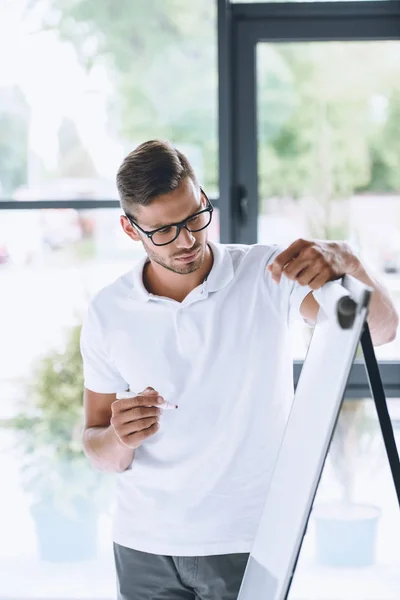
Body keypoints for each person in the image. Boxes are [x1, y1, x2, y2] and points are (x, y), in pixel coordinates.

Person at [80, 140, 398, 600]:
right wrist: (118, 436)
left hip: (244, 541)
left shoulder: (267, 275)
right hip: (141, 543)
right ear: (131, 231)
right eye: (164, 231)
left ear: (204, 198)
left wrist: (350, 261)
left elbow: (382, 330)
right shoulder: (108, 309)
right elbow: (98, 449)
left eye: (194, 218)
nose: (187, 240)